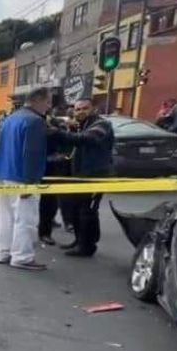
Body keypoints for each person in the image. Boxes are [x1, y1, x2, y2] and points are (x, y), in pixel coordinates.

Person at [0, 87, 51, 271]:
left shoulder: (10, 118)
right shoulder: (35, 121)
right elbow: (32, 154)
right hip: (21, 176)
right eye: (47, 101)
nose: (49, 106)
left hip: (4, 173)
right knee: (25, 218)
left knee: (6, 216)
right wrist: (29, 184)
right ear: (37, 100)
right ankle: (22, 257)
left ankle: (3, 252)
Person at [50, 98, 114, 257]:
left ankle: (87, 246)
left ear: (93, 109)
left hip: (95, 175)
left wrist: (57, 133)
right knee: (78, 210)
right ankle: (79, 241)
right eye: (78, 109)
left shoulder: (101, 125)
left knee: (88, 211)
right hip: (80, 175)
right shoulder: (81, 126)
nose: (81, 112)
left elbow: (85, 139)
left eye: (85, 108)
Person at [39, 111, 74, 245]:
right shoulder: (48, 130)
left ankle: (62, 224)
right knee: (48, 201)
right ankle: (44, 232)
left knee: (58, 200)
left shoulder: (56, 127)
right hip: (48, 169)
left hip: (60, 169)